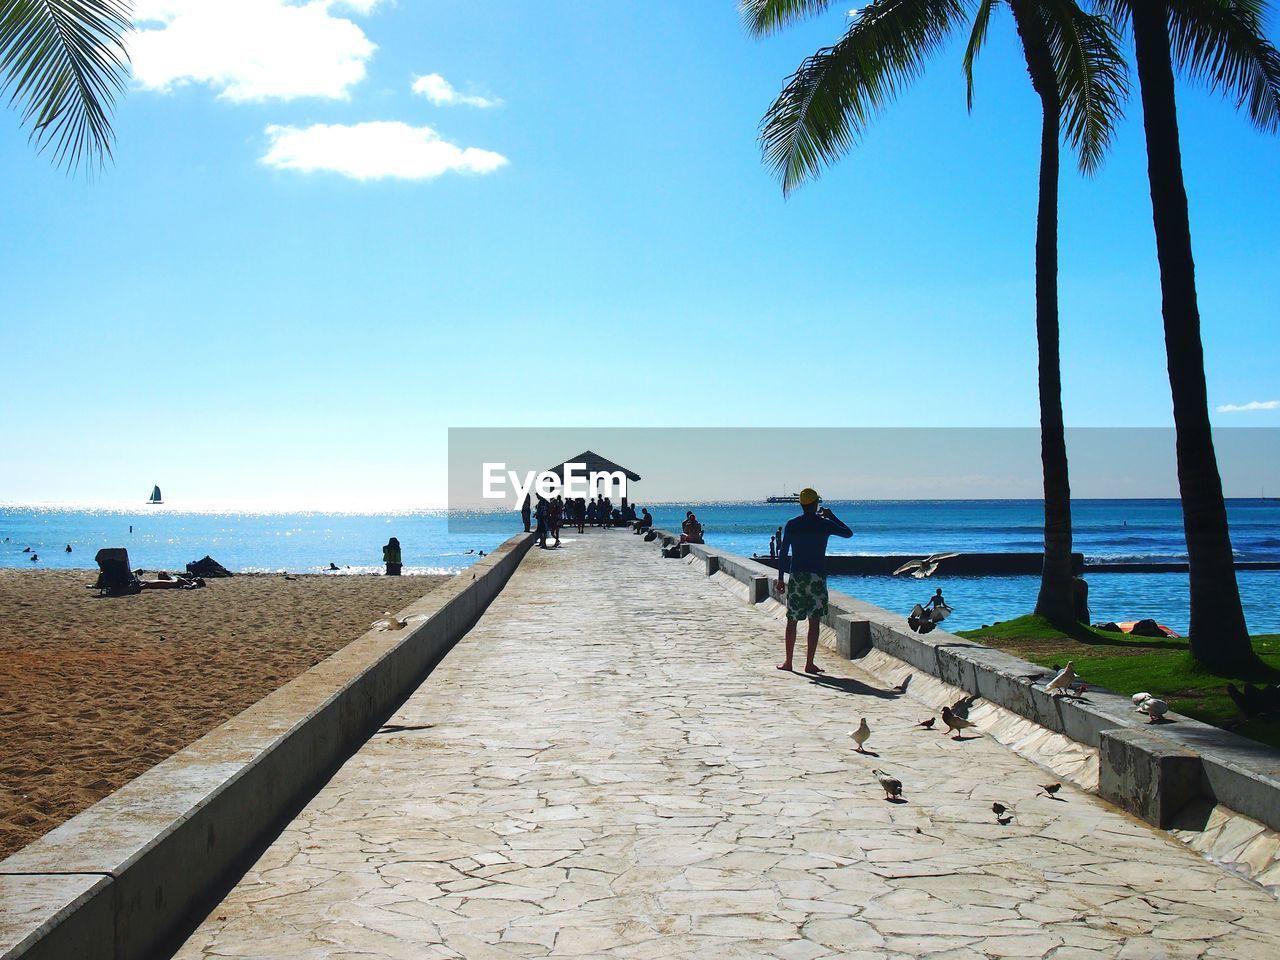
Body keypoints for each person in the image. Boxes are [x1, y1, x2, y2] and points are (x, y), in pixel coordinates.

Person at [775, 489, 852, 674]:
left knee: (792, 620)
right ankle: (809, 663)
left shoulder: (792, 524)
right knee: (814, 621)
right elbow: (848, 533)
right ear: (816, 504)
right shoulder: (823, 524)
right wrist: (832, 516)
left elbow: (783, 553)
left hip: (797, 576)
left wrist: (780, 578)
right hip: (817, 576)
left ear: (801, 504)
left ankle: (788, 661)